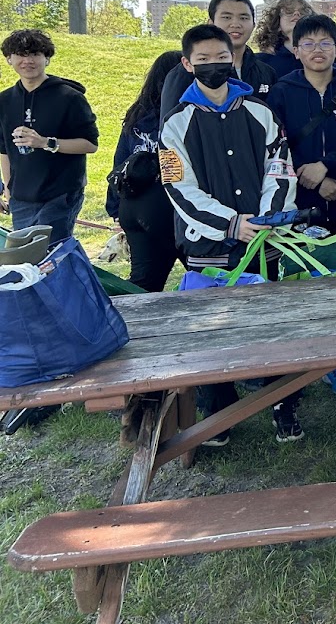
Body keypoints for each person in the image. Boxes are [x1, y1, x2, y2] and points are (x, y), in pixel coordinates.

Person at [160, 24, 302, 444]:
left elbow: (280, 169)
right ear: (187, 65)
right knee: (211, 332)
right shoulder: (175, 125)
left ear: (232, 58)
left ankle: (284, 405)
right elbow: (178, 188)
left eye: (220, 58)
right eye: (201, 60)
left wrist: (264, 217)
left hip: (263, 240)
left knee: (273, 326)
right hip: (208, 243)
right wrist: (230, 223)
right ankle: (218, 410)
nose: (213, 66)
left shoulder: (261, 113)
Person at [266, 14, 336, 244]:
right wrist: (315, 178)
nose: (317, 49)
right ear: (297, 51)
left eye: (325, 43)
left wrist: (327, 167)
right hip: (298, 201)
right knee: (299, 272)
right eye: (308, 43)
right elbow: (274, 146)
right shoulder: (281, 93)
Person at [0, 29, 99, 243]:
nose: (28, 60)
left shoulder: (69, 97)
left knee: (49, 256)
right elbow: (4, 150)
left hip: (60, 193)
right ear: (9, 59)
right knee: (25, 260)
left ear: (47, 58)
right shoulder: (4, 100)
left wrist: (46, 143)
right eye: (20, 54)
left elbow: (90, 144)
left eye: (35, 54)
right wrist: (9, 190)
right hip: (21, 197)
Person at [106, 51, 184, 292]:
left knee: (145, 282)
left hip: (133, 201)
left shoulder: (137, 116)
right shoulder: (184, 114)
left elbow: (120, 161)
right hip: (170, 205)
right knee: (205, 273)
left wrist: (115, 208)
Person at [160, 0, 277, 125]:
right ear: (211, 23)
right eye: (227, 17)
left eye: (244, 18)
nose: (235, 24)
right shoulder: (185, 73)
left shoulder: (266, 72)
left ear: (253, 25)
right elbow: (169, 128)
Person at [253, 0, 313, 79]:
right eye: (288, 11)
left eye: (303, 12)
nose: (296, 14)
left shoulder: (324, 57)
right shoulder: (261, 62)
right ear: (277, 24)